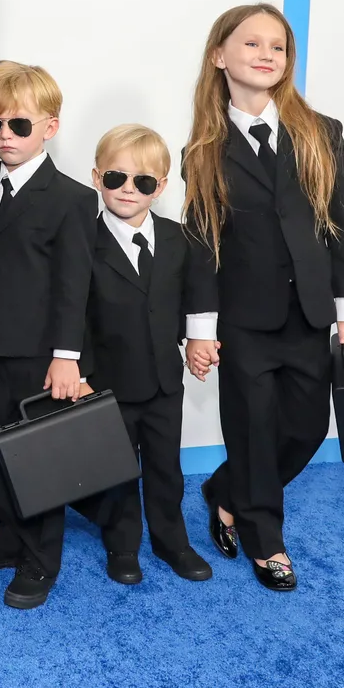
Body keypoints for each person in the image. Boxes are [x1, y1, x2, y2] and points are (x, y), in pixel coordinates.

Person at [182, 3, 344, 591]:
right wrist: (202, 329)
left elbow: (343, 224)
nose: (266, 55)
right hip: (243, 320)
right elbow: (203, 246)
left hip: (310, 312)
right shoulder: (202, 153)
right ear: (220, 56)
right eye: (251, 44)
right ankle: (267, 541)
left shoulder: (321, 133)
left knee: (307, 427)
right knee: (254, 427)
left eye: (278, 47)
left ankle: (226, 489)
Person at [0, 62, 96, 610]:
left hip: (43, 354)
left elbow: (73, 286)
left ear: (50, 128)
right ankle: (9, 536)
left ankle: (40, 557)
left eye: (20, 126)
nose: (5, 136)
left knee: (37, 456)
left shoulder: (73, 199)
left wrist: (66, 358)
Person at [78, 125, 212, 585]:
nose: (128, 190)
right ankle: (121, 543)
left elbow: (196, 294)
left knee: (165, 466)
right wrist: (81, 373)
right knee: (116, 471)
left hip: (163, 380)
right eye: (116, 178)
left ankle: (171, 540)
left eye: (143, 182)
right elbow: (74, 313)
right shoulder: (83, 243)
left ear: (162, 186)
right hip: (107, 382)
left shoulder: (180, 239)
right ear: (97, 178)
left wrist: (199, 338)